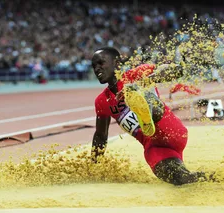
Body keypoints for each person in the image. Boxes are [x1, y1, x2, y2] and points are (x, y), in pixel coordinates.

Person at [91, 47, 215, 186]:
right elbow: (100, 136)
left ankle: (142, 104)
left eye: (101, 63)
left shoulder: (137, 74)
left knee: (144, 95)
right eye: (93, 66)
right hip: (155, 147)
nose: (96, 69)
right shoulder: (101, 101)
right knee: (181, 179)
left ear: (117, 63)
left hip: (168, 128)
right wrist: (94, 166)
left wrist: (146, 81)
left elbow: (175, 71)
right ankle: (217, 178)